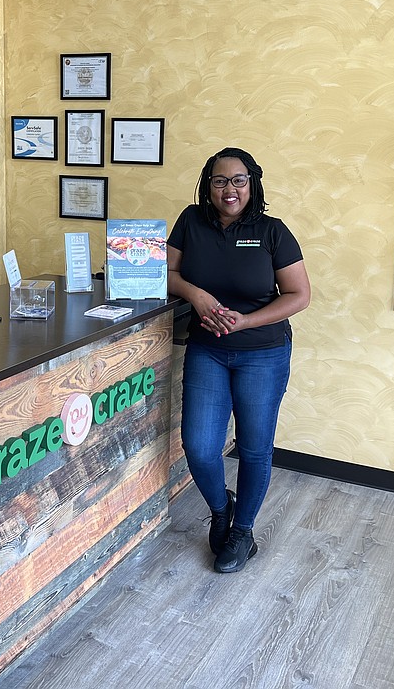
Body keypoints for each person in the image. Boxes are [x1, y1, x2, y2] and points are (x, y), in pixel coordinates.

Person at [167, 147, 311, 573]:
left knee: (253, 448)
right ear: (207, 184)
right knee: (199, 445)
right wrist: (196, 294)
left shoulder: (272, 231)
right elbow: (166, 272)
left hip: (262, 353)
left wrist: (245, 322)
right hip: (208, 349)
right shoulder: (191, 221)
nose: (229, 190)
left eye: (238, 180)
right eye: (219, 180)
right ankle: (219, 508)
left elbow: (299, 295)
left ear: (252, 183)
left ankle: (243, 531)